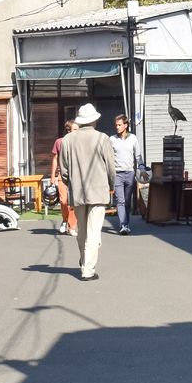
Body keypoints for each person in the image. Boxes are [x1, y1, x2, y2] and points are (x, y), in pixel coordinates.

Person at [58, 102, 115, 280]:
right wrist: (111, 185)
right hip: (98, 191)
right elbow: (111, 167)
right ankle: (88, 270)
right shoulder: (103, 138)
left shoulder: (67, 140)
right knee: (93, 231)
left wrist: (71, 183)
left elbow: (64, 169)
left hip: (77, 192)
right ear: (94, 121)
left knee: (82, 231)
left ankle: (85, 261)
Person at [111, 112, 143, 235]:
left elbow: (138, 156)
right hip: (117, 173)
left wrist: (142, 169)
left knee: (128, 201)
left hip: (130, 173)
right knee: (120, 200)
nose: (117, 127)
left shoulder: (133, 138)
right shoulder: (112, 139)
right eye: (116, 125)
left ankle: (126, 223)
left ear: (126, 125)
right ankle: (123, 225)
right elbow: (108, 156)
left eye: (119, 125)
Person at [50, 117, 79, 236]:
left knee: (74, 202)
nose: (77, 131)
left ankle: (72, 227)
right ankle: (65, 220)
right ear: (68, 130)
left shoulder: (80, 143)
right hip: (62, 174)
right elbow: (55, 159)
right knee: (63, 200)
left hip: (77, 175)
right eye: (75, 129)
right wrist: (53, 175)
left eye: (78, 129)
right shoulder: (59, 142)